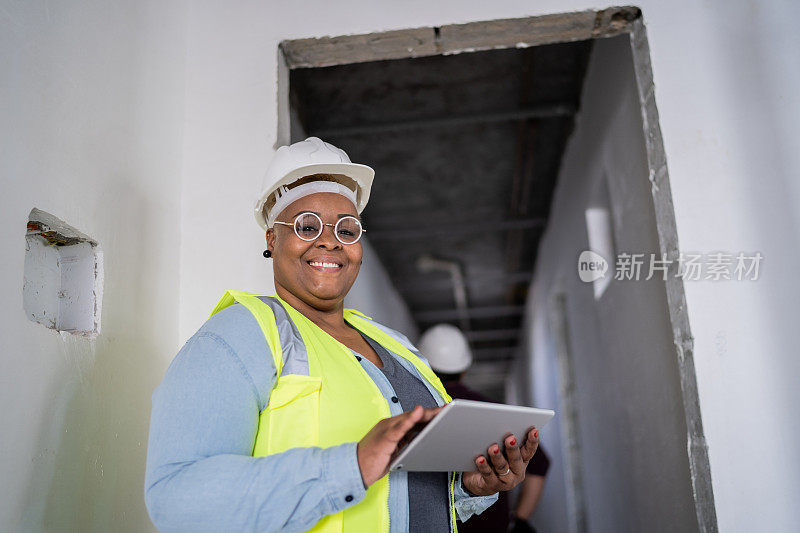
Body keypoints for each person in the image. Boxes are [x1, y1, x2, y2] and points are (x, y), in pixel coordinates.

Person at [144, 137, 542, 533]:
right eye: (306, 225)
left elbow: (408, 495)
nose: (330, 240)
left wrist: (473, 487)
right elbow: (176, 500)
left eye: (347, 229)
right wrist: (347, 467)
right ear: (271, 238)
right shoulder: (245, 332)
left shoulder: (397, 346)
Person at [418, 324, 550, 533]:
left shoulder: (412, 414)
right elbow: (539, 465)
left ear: (420, 365)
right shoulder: (494, 413)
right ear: (463, 369)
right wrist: (519, 521)